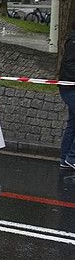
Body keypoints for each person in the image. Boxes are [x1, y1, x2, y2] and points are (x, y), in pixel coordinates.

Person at [59, 20, 74, 169]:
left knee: (73, 123)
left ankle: (65, 158)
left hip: (70, 85)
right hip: (69, 86)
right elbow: (69, 64)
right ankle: (72, 157)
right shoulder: (73, 41)